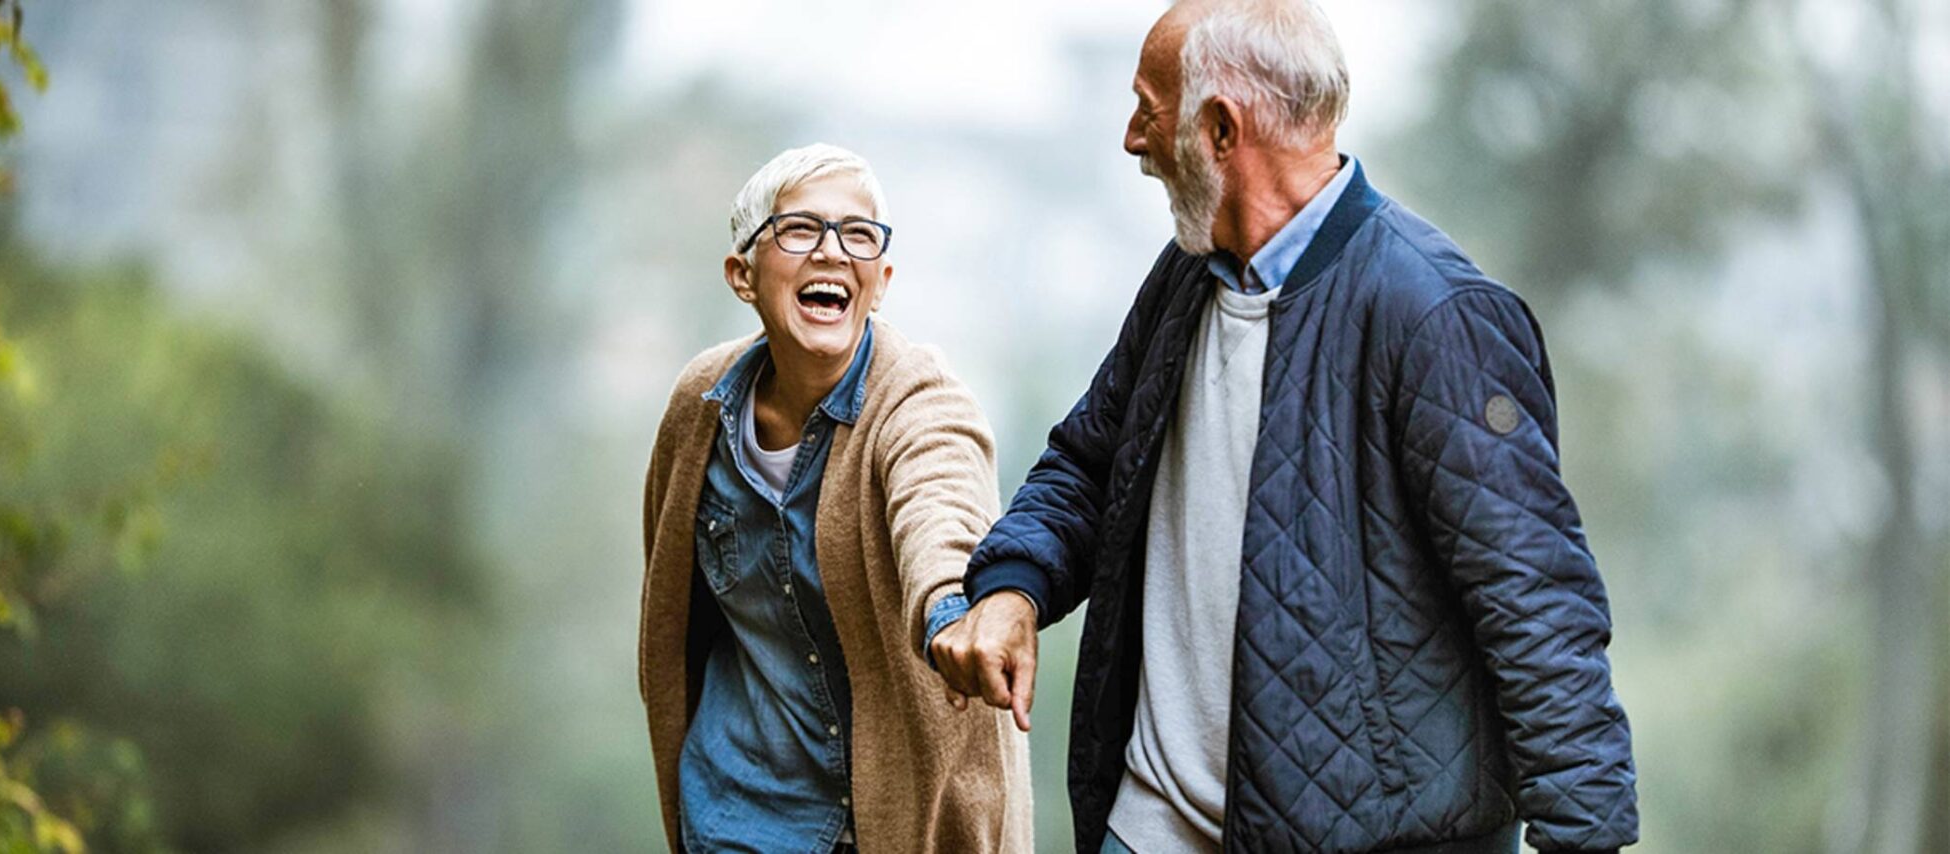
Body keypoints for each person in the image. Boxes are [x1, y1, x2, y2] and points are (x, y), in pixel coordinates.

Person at [929, 3, 1639, 852]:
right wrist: (1014, 588)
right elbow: (1090, 464)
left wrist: (1581, 840)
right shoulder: (1185, 278)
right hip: (1150, 825)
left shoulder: (1436, 315)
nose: (1131, 140)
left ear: (1221, 129)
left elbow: (1538, 613)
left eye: (1148, 111)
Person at [638, 143, 1033, 853]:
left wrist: (951, 606)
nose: (831, 252)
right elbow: (671, 612)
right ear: (742, 274)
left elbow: (941, 509)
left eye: (857, 234)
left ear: (879, 281)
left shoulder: (919, 399)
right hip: (736, 817)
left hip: (898, 823)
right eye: (799, 229)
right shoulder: (700, 409)